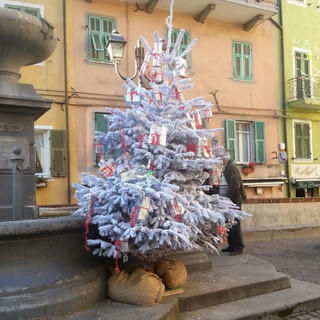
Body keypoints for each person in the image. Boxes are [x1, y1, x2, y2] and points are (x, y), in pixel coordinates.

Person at [218, 149, 247, 256]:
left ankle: (238, 247)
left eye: (220, 158)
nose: (220, 161)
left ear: (225, 158)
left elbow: (235, 185)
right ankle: (232, 245)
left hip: (233, 199)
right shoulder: (227, 168)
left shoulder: (231, 168)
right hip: (229, 199)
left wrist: (228, 198)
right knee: (230, 223)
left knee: (235, 223)